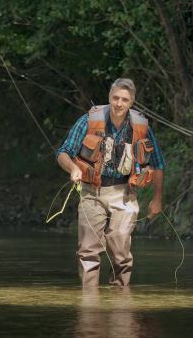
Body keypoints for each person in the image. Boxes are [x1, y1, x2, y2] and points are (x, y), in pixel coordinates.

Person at [56, 78, 165, 287]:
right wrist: (73, 168)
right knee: (88, 250)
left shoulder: (140, 127)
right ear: (109, 97)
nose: (119, 103)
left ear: (131, 102)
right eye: (115, 98)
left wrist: (157, 199)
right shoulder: (89, 120)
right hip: (91, 191)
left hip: (125, 192)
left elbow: (158, 164)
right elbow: (63, 152)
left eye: (124, 99)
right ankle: (90, 305)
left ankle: (120, 303)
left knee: (120, 248)